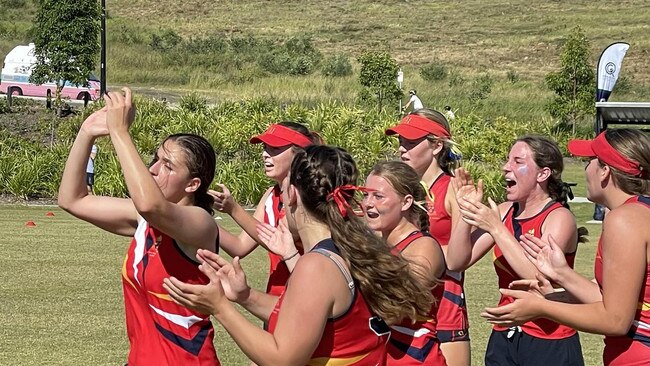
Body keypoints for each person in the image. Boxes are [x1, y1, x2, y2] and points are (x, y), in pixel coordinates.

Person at [163, 145, 435, 365]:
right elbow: (307, 316)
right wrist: (245, 295)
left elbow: (283, 358)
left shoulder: (317, 266)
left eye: (282, 191)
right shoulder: (354, 245)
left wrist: (220, 307)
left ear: (292, 195)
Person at [57, 88, 221, 365]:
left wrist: (120, 132)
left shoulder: (200, 223)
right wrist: (87, 133)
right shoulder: (144, 220)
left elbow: (150, 205)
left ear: (192, 185)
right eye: (155, 159)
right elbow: (72, 199)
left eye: (168, 165)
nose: (154, 169)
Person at [481, 129, 650, 365]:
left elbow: (616, 320)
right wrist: (562, 274)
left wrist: (541, 307)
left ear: (605, 172)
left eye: (589, 161)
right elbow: (609, 298)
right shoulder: (638, 211)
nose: (584, 169)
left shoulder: (624, 220)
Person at [446, 135, 584, 366]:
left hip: (549, 338)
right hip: (505, 333)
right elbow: (456, 261)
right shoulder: (503, 212)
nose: (505, 167)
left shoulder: (559, 218)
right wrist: (466, 212)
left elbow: (540, 280)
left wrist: (497, 229)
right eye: (507, 160)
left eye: (517, 161)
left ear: (543, 174)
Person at [385, 109, 470, 366]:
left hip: (444, 308)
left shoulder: (452, 188)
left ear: (436, 146)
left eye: (410, 142)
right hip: (399, 308)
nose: (402, 149)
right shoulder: (396, 190)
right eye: (400, 141)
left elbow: (459, 258)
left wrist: (431, 253)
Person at [212, 122, 321, 297]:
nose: (265, 154)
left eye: (275, 149)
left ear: (299, 154)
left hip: (304, 299)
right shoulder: (271, 194)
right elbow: (239, 247)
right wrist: (202, 219)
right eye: (265, 148)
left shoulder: (306, 197)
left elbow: (278, 240)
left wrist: (233, 209)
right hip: (274, 299)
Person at [363, 160, 447, 365]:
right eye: (365, 194)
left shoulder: (423, 246)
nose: (367, 203)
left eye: (378, 196)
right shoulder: (374, 245)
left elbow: (395, 307)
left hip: (415, 359)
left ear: (406, 202)